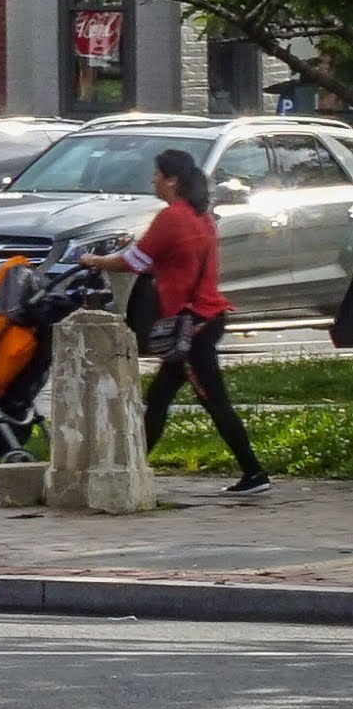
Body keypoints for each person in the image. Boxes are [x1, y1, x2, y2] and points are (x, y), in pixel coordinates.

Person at [130, 146, 270, 498]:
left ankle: (254, 472)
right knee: (159, 395)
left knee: (213, 399)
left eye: (158, 176)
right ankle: (133, 470)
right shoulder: (200, 216)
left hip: (193, 326)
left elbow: (134, 259)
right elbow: (174, 259)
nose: (153, 181)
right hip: (203, 318)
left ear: (172, 180)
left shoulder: (172, 217)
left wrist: (92, 261)